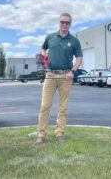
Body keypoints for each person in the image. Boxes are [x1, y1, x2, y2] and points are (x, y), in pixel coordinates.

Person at [36, 13, 83, 144]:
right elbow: (42, 48)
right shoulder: (50, 37)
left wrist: (72, 71)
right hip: (50, 75)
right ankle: (41, 134)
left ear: (70, 24)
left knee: (63, 108)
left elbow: (79, 59)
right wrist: (44, 57)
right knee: (45, 106)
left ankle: (59, 133)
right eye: (62, 22)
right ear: (59, 22)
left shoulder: (74, 41)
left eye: (67, 23)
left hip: (65, 77)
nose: (64, 25)